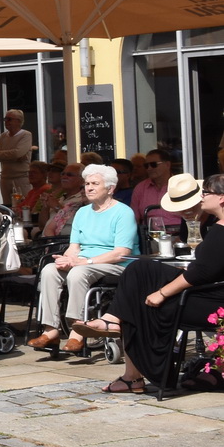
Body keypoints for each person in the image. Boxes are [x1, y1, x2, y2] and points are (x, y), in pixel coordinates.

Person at [75, 174, 224, 393]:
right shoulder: (216, 228)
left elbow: (200, 273)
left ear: (221, 198)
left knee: (137, 297)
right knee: (139, 271)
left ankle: (132, 375)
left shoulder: (220, 230)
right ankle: (112, 323)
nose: (202, 196)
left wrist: (162, 293)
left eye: (206, 192)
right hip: (207, 293)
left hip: (212, 304)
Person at [28, 164, 140, 353]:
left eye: (95, 183)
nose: (89, 187)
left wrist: (84, 262)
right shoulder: (82, 212)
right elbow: (74, 247)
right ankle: (51, 330)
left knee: (78, 273)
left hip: (116, 263)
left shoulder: (123, 212)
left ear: (110, 188)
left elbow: (121, 252)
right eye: (87, 183)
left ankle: (77, 331)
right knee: (49, 270)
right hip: (85, 261)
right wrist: (65, 259)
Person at [131, 150, 188, 236]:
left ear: (167, 165)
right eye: (146, 166)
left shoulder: (181, 186)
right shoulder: (140, 188)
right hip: (150, 238)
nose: (149, 168)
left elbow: (194, 217)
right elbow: (134, 219)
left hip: (180, 236)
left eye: (154, 165)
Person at [0, 109, 36, 202]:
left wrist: (2, 155)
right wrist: (14, 157)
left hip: (21, 178)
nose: (6, 122)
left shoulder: (26, 135)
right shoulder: (3, 136)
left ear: (18, 121)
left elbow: (18, 153)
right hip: (5, 177)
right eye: (5, 119)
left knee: (23, 204)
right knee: (7, 205)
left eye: (9, 119)